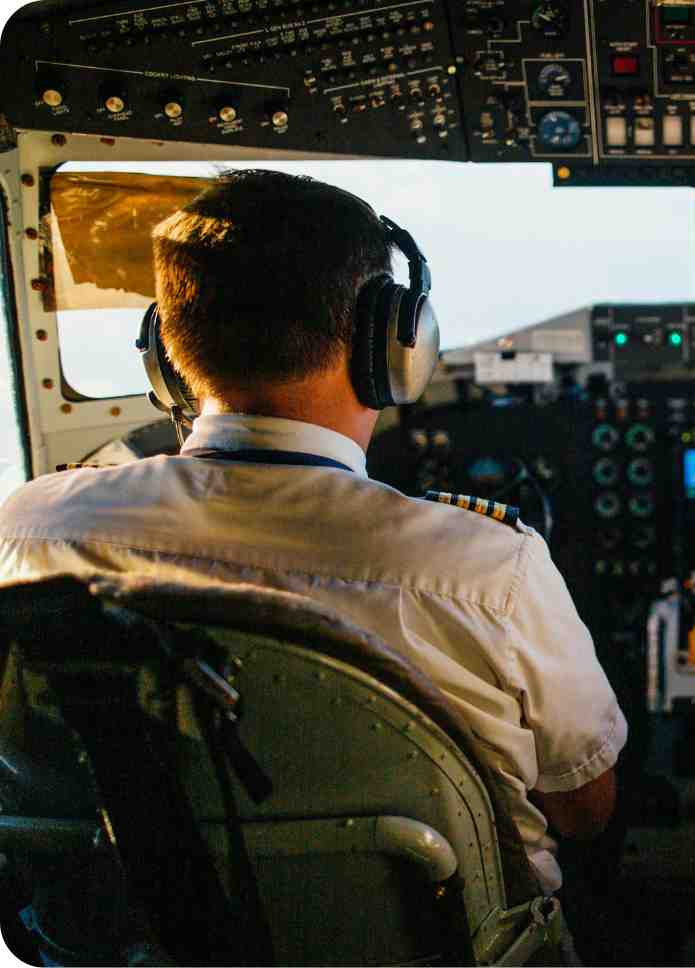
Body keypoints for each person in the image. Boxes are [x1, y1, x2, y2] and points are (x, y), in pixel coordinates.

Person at [0, 169, 626, 895]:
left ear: (166, 352)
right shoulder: (488, 570)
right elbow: (585, 809)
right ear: (394, 344)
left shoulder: (29, 531)